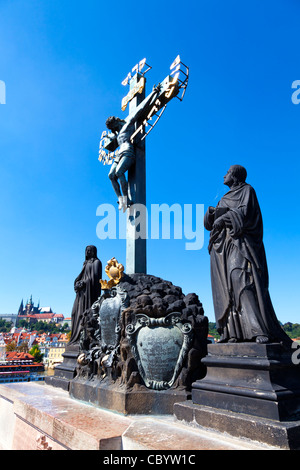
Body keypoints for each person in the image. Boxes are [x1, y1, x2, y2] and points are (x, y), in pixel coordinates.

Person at [204, 165, 291, 345]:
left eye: (227, 172)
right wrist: (211, 214)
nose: (224, 175)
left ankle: (258, 329)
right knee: (227, 288)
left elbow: (247, 215)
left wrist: (224, 218)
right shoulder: (224, 198)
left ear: (235, 176)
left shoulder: (247, 191)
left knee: (241, 281)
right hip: (223, 249)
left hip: (240, 245)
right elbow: (210, 225)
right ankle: (232, 333)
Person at [106, 84, 161, 212]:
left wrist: (154, 93)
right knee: (111, 175)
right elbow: (110, 143)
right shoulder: (116, 134)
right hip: (119, 154)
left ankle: (126, 199)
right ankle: (121, 199)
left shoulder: (128, 123)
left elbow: (141, 108)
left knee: (119, 172)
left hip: (128, 151)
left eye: (112, 124)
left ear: (116, 121)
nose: (113, 128)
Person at [69, 245, 102, 345]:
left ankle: (84, 338)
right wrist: (78, 283)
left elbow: (95, 280)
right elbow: (81, 276)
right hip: (81, 294)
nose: (87, 252)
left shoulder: (97, 262)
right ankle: (76, 337)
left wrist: (84, 283)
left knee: (83, 315)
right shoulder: (85, 263)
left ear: (94, 251)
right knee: (74, 313)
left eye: (89, 250)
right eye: (86, 250)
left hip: (89, 295)